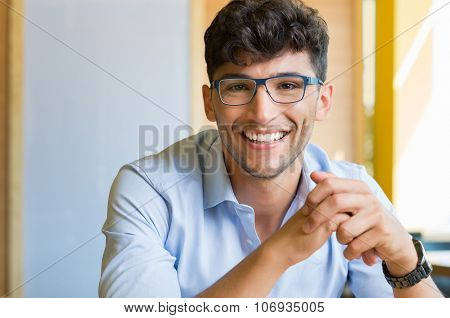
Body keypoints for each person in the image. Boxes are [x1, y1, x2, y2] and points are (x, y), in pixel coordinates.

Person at [99, 0, 443, 297]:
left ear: (322, 101)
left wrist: (406, 264)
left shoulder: (353, 191)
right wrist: (280, 252)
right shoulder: (149, 189)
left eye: (289, 85)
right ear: (209, 103)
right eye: (237, 87)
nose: (263, 114)